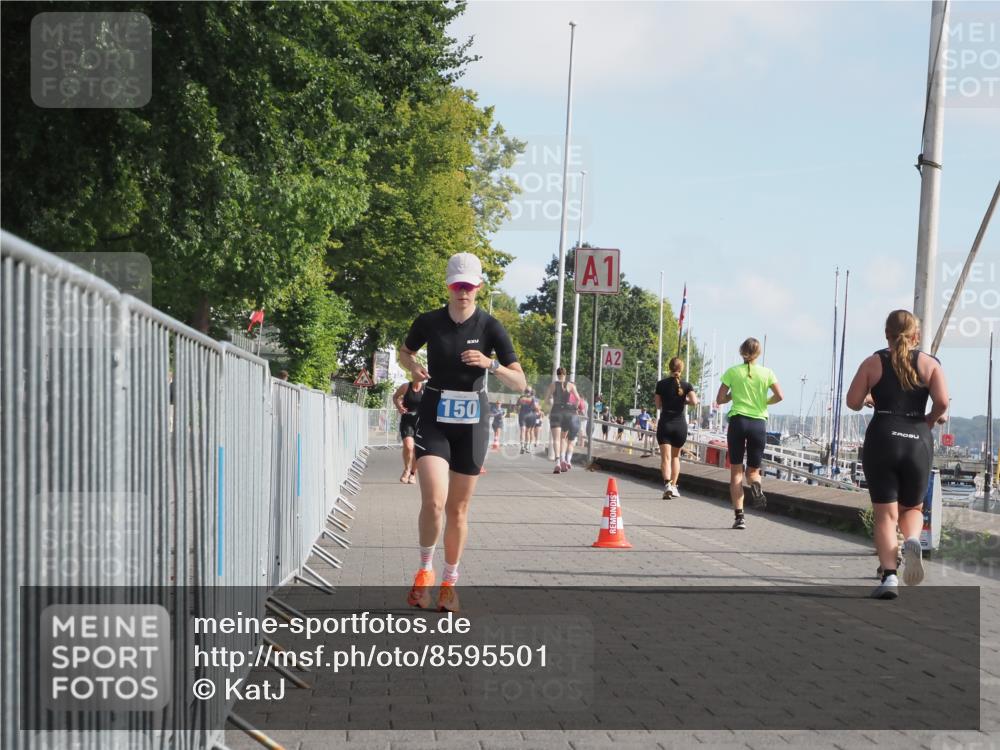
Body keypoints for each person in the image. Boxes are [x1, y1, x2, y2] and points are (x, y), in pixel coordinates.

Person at [398, 253, 526, 612]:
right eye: (457, 285)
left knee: (458, 509)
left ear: (479, 287)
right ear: (448, 286)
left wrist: (492, 364)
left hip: (472, 423)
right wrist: (414, 366)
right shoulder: (429, 322)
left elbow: (520, 380)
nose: (463, 292)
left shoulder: (490, 327)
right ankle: (424, 572)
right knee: (434, 501)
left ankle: (449, 584)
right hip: (435, 417)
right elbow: (404, 352)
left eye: (469, 286)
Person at [846, 310, 948, 600]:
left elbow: (853, 402)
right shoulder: (930, 364)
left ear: (886, 334)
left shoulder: (873, 362)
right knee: (913, 508)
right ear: (916, 336)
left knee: (884, 515)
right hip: (918, 439)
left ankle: (890, 576)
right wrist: (928, 420)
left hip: (882, 438)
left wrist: (869, 398)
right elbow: (941, 402)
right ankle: (913, 539)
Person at [715, 338, 783, 530]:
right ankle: (756, 484)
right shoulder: (767, 373)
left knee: (736, 472)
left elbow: (719, 399)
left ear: (741, 352)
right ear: (758, 353)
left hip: (738, 422)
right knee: (753, 471)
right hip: (758, 423)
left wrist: (733, 395)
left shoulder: (732, 372)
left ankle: (739, 517)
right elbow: (780, 396)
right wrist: (764, 402)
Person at [655, 357, 699, 499]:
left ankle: (667, 484)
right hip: (680, 425)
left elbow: (657, 405)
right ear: (682, 369)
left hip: (665, 423)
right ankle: (674, 486)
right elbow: (694, 401)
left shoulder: (661, 384)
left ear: (669, 368)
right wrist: (682, 400)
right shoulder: (686, 385)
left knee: (665, 458)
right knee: (676, 457)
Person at [545, 367, 579, 473]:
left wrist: (550, 405)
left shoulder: (553, 385)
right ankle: (564, 459)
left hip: (556, 411)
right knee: (564, 438)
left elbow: (546, 400)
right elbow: (578, 399)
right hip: (568, 413)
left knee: (556, 439)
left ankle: (558, 462)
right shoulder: (571, 385)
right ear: (565, 374)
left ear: (557, 374)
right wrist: (575, 409)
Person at [392, 378, 424, 484]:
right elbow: (395, 397)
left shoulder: (426, 388)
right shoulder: (405, 387)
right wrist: (399, 407)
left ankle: (413, 474)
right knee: (409, 446)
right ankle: (406, 469)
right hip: (407, 421)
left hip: (421, 423)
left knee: (417, 450)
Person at [517, 388, 539, 454]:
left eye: (527, 391)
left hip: (525, 415)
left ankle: (525, 446)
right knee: (527, 431)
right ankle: (525, 447)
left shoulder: (523, 397)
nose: (527, 393)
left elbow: (516, 406)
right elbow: (537, 408)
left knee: (525, 430)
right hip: (529, 415)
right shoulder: (524, 397)